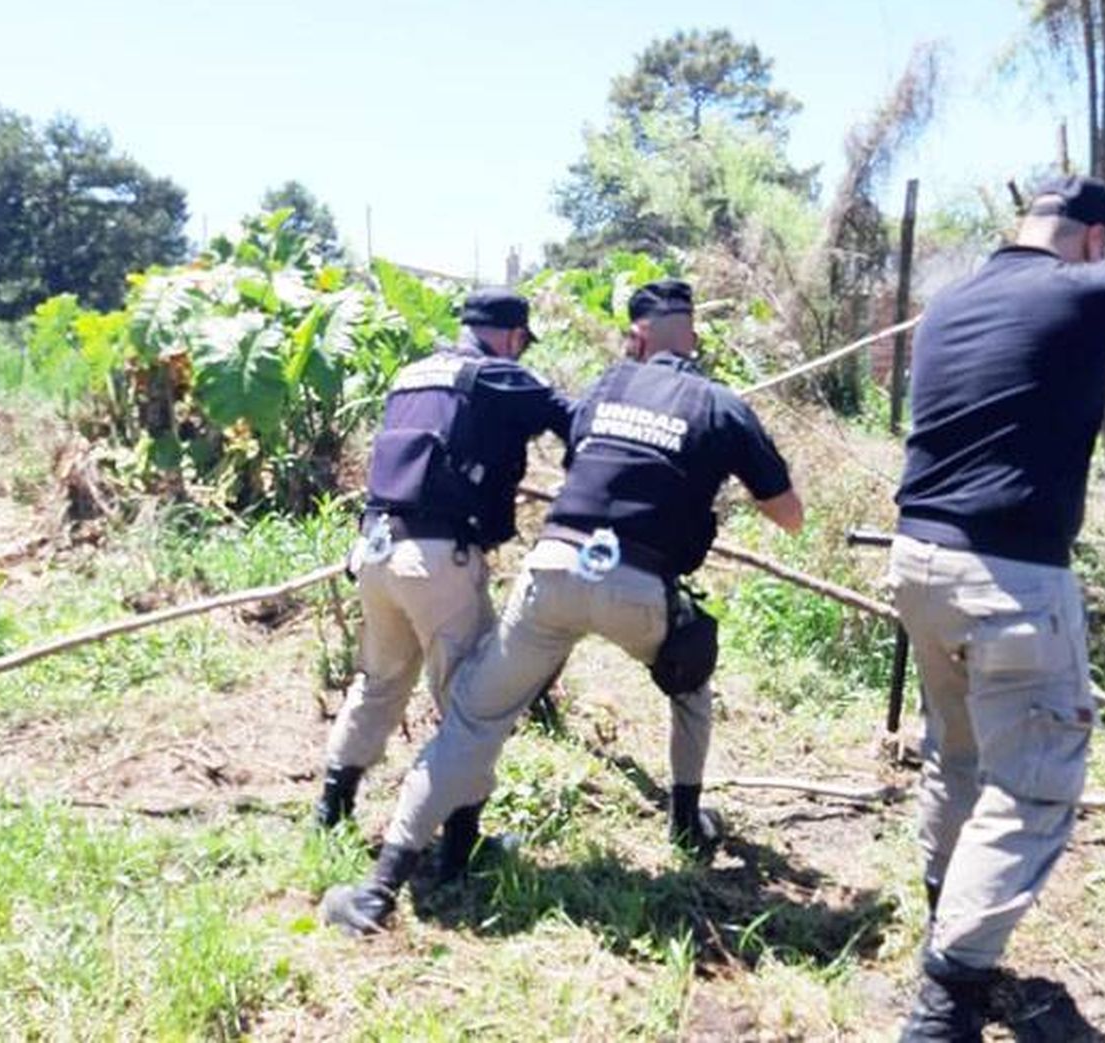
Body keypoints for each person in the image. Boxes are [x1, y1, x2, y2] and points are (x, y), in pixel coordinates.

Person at [321, 277, 805, 935]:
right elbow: (790, 516)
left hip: (531, 570)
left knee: (469, 716)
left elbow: (587, 453)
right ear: (691, 335)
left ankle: (378, 887)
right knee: (690, 679)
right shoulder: (720, 404)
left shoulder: (594, 384)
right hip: (627, 586)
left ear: (636, 338)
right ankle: (686, 821)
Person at [888, 176, 1105, 1041]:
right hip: (1009, 580)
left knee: (956, 753)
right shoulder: (1086, 288)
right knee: (1036, 786)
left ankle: (945, 914)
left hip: (918, 563)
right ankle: (947, 1000)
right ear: (1092, 241)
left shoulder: (948, 305)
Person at [314, 287, 573, 858]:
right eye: (522, 343)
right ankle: (460, 844)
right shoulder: (494, 375)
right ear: (509, 336)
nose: (521, 354)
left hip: (376, 550)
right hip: (436, 559)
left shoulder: (412, 374)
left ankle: (330, 814)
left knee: (379, 683)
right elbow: (566, 416)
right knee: (471, 701)